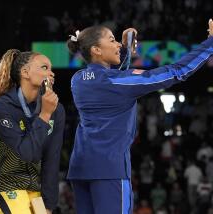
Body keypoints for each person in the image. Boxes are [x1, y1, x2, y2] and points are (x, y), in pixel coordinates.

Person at [66, 19, 213, 214]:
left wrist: (125, 49)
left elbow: (114, 79)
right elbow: (177, 72)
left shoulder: (77, 80)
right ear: (96, 50)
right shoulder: (115, 83)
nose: (117, 43)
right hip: (110, 169)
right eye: (111, 40)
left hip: (80, 168)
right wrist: (210, 43)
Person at [0, 49, 65, 214]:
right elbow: (26, 153)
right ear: (25, 72)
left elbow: (52, 157)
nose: (51, 73)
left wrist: (49, 204)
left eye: (51, 68)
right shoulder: (2, 106)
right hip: (2, 180)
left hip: (31, 183)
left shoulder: (56, 109)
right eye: (45, 67)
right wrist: (44, 115)